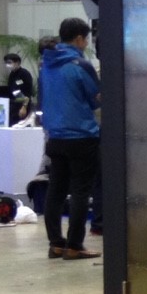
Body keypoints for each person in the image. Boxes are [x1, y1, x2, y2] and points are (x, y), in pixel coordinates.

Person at [40, 18, 100, 260]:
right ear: (79, 38)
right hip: (81, 136)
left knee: (55, 190)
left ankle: (56, 243)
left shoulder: (46, 64)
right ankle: (75, 246)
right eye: (86, 39)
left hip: (55, 136)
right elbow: (97, 98)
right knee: (80, 192)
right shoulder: (80, 65)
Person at [3, 52, 34, 124]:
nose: (7, 65)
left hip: (23, 104)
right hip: (13, 104)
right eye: (6, 63)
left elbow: (28, 91)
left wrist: (24, 106)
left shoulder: (24, 74)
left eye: (9, 62)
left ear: (17, 62)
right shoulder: (12, 74)